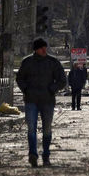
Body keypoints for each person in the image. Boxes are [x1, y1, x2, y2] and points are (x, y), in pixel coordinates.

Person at [16, 38, 66, 167]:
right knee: (31, 128)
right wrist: (26, 89)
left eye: (45, 47)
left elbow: (62, 80)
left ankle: (46, 155)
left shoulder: (52, 62)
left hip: (47, 100)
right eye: (41, 48)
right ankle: (33, 154)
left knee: (47, 129)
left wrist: (52, 89)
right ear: (36, 49)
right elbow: (20, 78)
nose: (44, 50)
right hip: (31, 100)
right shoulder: (27, 62)